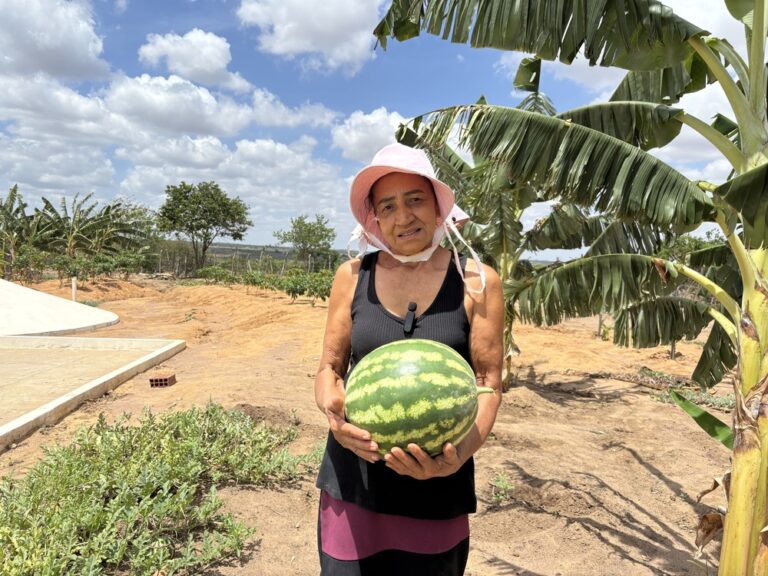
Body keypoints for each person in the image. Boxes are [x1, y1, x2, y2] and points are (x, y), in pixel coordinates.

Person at [314, 142, 504, 575]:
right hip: (354, 481)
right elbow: (328, 367)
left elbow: (489, 382)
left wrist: (458, 457)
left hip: (438, 484)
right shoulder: (351, 277)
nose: (404, 217)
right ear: (375, 218)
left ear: (438, 207)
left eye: (415, 200)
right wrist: (334, 414)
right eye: (389, 205)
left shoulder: (477, 281)